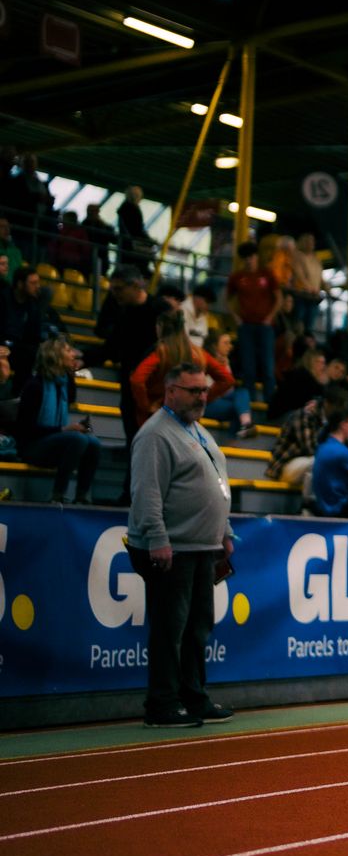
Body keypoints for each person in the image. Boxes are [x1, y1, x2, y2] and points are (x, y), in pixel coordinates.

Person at [126, 362, 236, 728]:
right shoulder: (156, 434)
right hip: (172, 549)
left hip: (202, 548)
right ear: (171, 391)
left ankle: (193, 697)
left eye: (204, 390)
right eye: (194, 391)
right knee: (170, 630)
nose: (203, 397)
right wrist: (158, 539)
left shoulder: (197, 430)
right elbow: (146, 493)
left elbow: (216, 482)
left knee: (197, 627)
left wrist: (224, 531)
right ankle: (161, 705)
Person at [16, 336, 104, 504]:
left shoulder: (64, 384)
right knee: (76, 439)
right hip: (32, 446)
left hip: (53, 442)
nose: (74, 355)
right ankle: (57, 495)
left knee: (93, 443)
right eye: (68, 350)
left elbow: (71, 399)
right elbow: (26, 430)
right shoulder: (35, 385)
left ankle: (81, 497)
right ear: (54, 355)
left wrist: (70, 374)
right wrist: (64, 430)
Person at [128, 309, 235, 433]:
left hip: (158, 417)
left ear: (160, 327)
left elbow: (137, 379)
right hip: (188, 419)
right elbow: (227, 379)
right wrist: (201, 398)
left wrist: (145, 405)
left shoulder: (161, 353)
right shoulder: (199, 353)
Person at [224, 241, 280, 436]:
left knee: (267, 367)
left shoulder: (267, 274)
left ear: (257, 257)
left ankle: (271, 408)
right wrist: (237, 318)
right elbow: (227, 299)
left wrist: (270, 317)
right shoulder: (238, 277)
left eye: (251, 256)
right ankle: (249, 409)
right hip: (246, 326)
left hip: (264, 326)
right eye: (246, 257)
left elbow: (278, 297)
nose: (249, 260)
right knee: (248, 368)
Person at [286, 233, 324, 334]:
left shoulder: (316, 258)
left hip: (313, 296)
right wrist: (310, 287)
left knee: (309, 325)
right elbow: (299, 274)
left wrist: (324, 286)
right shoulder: (297, 256)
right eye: (308, 241)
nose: (311, 244)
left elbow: (320, 276)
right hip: (301, 295)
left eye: (312, 241)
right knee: (298, 324)